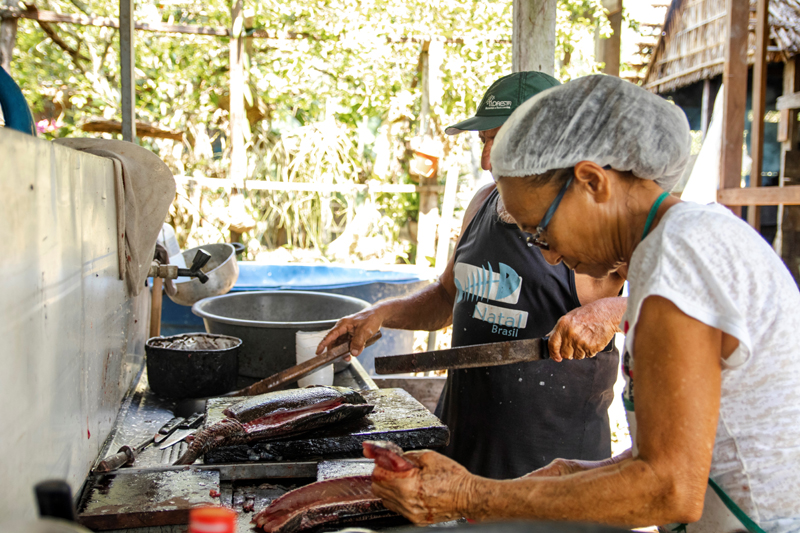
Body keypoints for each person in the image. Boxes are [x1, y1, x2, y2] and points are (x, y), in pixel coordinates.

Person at [369, 75, 800, 533]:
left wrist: (471, 494)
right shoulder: (685, 239)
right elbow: (688, 443)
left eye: (540, 230)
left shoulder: (680, 253)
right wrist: (575, 474)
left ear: (592, 182)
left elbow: (670, 488)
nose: (549, 253)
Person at [317, 71, 628, 480]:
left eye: (499, 141)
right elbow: (449, 296)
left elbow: (682, 303)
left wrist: (610, 311)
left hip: (554, 467)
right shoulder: (483, 202)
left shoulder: (599, 217)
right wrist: (382, 314)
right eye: (484, 141)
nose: (486, 160)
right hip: (463, 448)